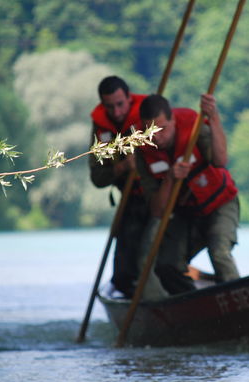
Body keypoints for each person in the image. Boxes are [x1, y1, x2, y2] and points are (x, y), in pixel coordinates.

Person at [135, 93, 240, 295]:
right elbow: (158, 210)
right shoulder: (142, 149)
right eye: (150, 131)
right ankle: (193, 306)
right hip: (185, 213)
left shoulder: (194, 125)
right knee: (165, 266)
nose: (156, 137)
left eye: (162, 129)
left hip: (220, 202)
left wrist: (214, 118)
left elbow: (220, 160)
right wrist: (170, 179)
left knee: (219, 254)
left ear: (173, 120)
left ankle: (238, 304)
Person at [89, 75, 149, 298]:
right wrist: (123, 167)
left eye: (120, 104)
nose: (116, 112)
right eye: (109, 106)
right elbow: (97, 178)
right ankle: (127, 291)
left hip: (159, 196)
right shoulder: (100, 128)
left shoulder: (147, 114)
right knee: (123, 267)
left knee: (161, 257)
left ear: (129, 99)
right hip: (129, 201)